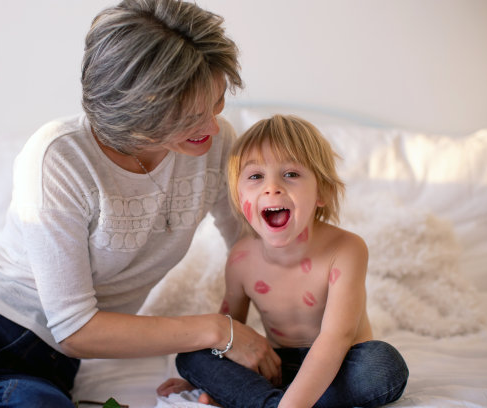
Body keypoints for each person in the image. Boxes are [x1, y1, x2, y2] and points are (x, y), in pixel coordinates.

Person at [0, 1, 282, 407]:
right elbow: (75, 328)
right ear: (136, 107)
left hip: (44, 362)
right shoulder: (59, 155)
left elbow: (252, 255)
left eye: (216, 104)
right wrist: (217, 331)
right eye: (191, 116)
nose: (212, 126)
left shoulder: (217, 146)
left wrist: (238, 368)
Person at [157, 115, 409, 407]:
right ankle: (273, 399)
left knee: (383, 365)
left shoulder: (347, 249)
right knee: (192, 354)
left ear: (322, 192)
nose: (272, 187)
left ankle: (267, 403)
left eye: (290, 174)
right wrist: (205, 374)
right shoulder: (241, 258)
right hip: (275, 367)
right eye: (255, 176)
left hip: (340, 362)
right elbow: (230, 328)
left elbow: (336, 338)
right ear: (238, 197)